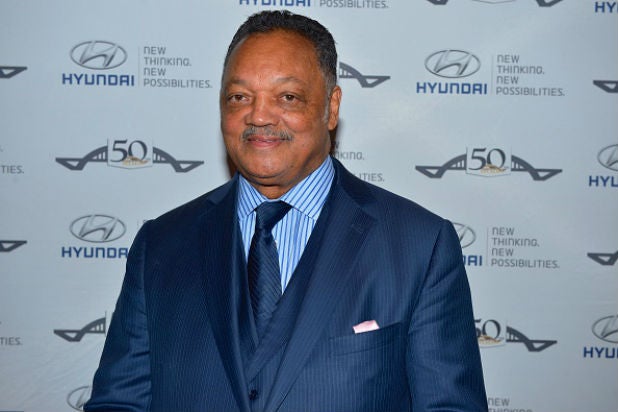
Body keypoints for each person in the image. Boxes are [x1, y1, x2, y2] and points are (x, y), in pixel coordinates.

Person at [85, 10, 487, 412]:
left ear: (331, 108)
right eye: (239, 97)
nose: (259, 116)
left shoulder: (419, 246)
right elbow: (119, 403)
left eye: (287, 97)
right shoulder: (161, 245)